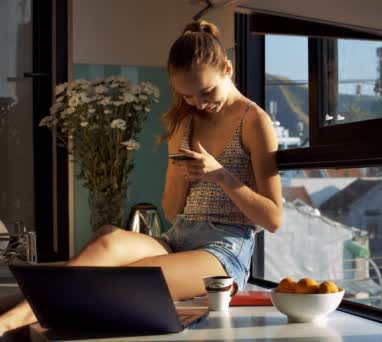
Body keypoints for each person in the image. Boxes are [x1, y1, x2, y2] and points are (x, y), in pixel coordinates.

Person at [0, 20, 282, 335]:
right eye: (188, 96)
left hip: (225, 250)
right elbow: (173, 210)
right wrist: (179, 175)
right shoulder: (185, 123)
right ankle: (10, 313)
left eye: (207, 91)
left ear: (227, 69)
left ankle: (7, 320)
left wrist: (220, 175)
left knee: (130, 276)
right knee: (108, 237)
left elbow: (273, 219)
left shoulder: (254, 120)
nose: (200, 103)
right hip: (179, 238)